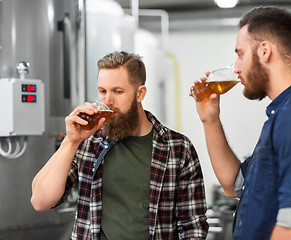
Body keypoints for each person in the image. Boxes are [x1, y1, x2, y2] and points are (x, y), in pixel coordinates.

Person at [191, 6, 291, 240]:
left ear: (264, 51)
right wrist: (210, 121)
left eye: (240, 55)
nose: (236, 68)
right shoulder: (282, 113)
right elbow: (234, 184)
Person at [31, 51, 209, 240]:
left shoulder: (178, 148)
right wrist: (71, 141)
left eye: (118, 91)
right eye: (102, 91)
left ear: (140, 93)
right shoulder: (88, 143)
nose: (108, 101)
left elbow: (193, 227)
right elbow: (41, 201)